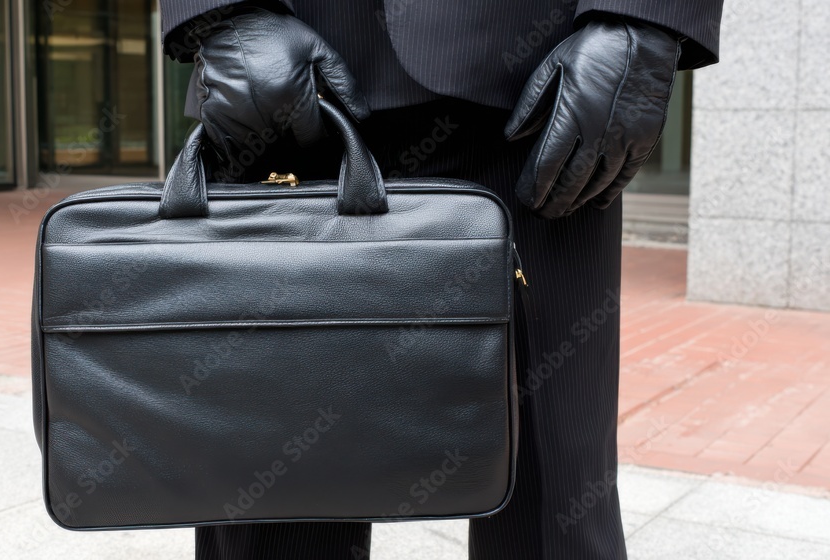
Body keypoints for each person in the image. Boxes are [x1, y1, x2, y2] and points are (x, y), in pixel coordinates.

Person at [159, 1, 723, 558]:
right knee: (272, 499)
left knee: (556, 501)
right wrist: (223, 11)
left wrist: (645, 17)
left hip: (538, 91)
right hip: (291, 82)